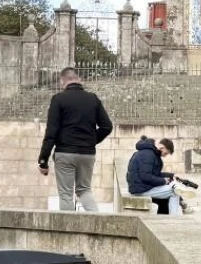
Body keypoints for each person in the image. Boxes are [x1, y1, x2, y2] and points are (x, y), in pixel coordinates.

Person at [38, 67, 113, 213]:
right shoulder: (93, 98)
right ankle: (97, 222)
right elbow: (107, 126)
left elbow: (51, 132)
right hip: (87, 154)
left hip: (65, 153)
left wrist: (43, 160)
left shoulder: (58, 99)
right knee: (84, 190)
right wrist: (91, 141)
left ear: (62, 82)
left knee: (66, 194)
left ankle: (67, 231)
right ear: (79, 80)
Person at [127, 135, 185, 216]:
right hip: (140, 189)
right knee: (175, 192)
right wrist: (164, 181)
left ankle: (180, 211)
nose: (165, 156)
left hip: (141, 186)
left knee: (174, 187)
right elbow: (145, 176)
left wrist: (172, 176)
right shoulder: (148, 155)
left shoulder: (149, 153)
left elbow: (155, 174)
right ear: (161, 147)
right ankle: (174, 218)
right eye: (165, 153)